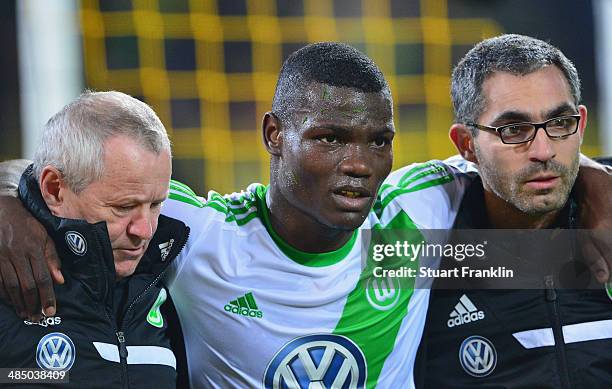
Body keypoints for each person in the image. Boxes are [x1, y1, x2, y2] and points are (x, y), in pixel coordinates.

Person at [0, 42, 610, 388]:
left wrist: (598, 179)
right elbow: (70, 181)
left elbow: (527, 172)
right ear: (274, 135)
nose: (360, 164)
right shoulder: (194, 238)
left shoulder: (409, 234)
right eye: (328, 138)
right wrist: (8, 204)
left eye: (378, 140)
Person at [415, 34, 612, 388]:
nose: (544, 150)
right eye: (514, 130)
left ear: (581, 124)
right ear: (466, 145)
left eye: (560, 122)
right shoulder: (422, 254)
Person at [0, 91, 188, 388]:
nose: (145, 230)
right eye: (123, 207)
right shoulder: (8, 264)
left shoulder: (178, 269)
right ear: (54, 189)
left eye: (155, 204)